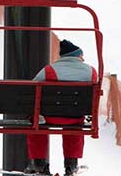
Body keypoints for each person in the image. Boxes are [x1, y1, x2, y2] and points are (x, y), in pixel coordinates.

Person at [25, 40, 97, 176]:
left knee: (36, 125)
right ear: (78, 56)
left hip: (49, 117)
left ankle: (39, 164)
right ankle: (71, 165)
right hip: (75, 117)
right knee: (75, 128)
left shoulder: (49, 70)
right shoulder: (91, 71)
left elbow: (31, 88)